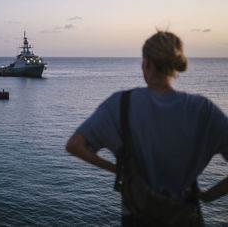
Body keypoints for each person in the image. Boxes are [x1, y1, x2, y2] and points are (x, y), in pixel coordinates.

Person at [66, 31, 228, 226]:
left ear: (147, 63)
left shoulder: (120, 104)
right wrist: (208, 195)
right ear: (174, 65)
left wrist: (119, 170)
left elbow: (75, 145)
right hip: (186, 217)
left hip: (137, 217)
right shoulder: (204, 110)